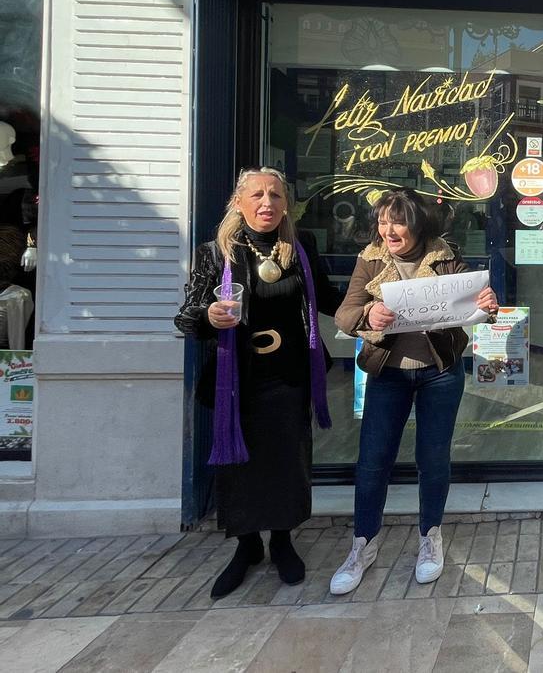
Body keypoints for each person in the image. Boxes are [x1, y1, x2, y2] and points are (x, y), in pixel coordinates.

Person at [175, 167, 341, 599]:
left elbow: (328, 298)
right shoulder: (216, 253)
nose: (267, 202)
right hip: (238, 380)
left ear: (286, 204)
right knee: (239, 466)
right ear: (238, 202)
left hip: (290, 374)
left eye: (276, 195)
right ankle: (246, 547)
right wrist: (209, 317)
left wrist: (379, 300)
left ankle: (283, 541)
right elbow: (187, 316)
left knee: (288, 459)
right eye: (257, 195)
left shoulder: (300, 247)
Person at [329, 188, 498, 595]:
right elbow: (344, 313)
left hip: (439, 372)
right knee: (373, 460)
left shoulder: (446, 257)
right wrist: (369, 313)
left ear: (417, 223)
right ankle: (362, 546)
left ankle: (430, 538)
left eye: (397, 221)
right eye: (383, 221)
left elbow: (472, 306)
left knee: (433, 457)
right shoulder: (369, 260)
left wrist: (488, 303)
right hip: (388, 372)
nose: (388, 229)